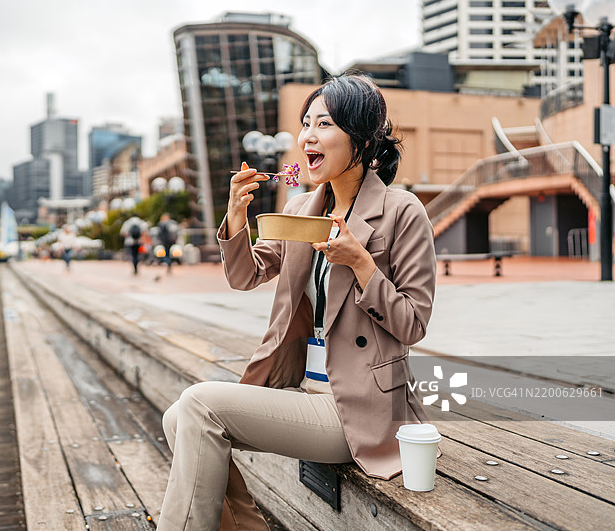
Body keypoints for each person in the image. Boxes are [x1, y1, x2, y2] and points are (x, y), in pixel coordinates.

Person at [157, 73, 437, 530]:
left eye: (324, 124)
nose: (308, 135)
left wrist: (362, 264)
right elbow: (245, 276)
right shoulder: (301, 209)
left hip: (358, 407)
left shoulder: (402, 211)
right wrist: (236, 216)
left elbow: (413, 324)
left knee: (198, 406)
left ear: (363, 139)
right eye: (306, 123)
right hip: (300, 388)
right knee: (178, 417)